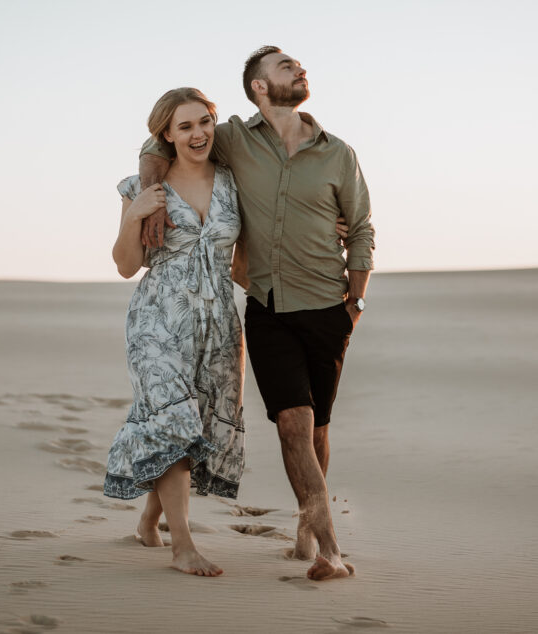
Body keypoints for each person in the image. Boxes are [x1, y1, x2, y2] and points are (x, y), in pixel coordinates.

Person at [138, 47, 375, 581]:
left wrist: (355, 301)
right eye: (286, 65)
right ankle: (331, 552)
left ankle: (304, 529)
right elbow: (163, 141)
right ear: (260, 87)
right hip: (266, 309)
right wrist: (150, 196)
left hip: (328, 308)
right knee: (293, 422)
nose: (300, 68)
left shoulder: (339, 154)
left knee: (317, 429)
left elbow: (360, 229)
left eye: (298, 64)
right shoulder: (232, 140)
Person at [104, 87, 245, 577]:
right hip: (158, 320)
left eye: (204, 121)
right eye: (184, 126)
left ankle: (149, 521)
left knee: (193, 429)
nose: (198, 133)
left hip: (217, 324)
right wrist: (136, 215)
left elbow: (247, 259)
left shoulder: (234, 182)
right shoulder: (141, 188)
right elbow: (125, 266)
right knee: (172, 420)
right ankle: (182, 546)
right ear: (166, 133)